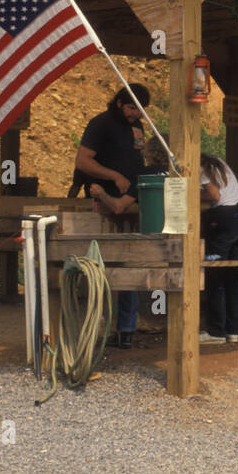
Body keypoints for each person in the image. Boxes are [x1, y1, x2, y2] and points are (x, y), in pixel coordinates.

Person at [74, 83, 150, 349]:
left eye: (140, 111)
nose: (135, 114)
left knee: (127, 266)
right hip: (102, 204)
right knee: (100, 268)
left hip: (129, 205)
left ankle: (126, 329)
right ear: (119, 102)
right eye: (131, 108)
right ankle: (99, 326)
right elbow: (82, 161)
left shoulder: (137, 127)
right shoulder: (100, 124)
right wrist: (114, 176)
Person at [199, 155, 238, 345]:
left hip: (223, 218)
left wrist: (192, 194)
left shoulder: (200, 168)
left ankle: (216, 331)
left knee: (215, 275)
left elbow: (214, 196)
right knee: (231, 278)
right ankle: (232, 331)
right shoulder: (218, 162)